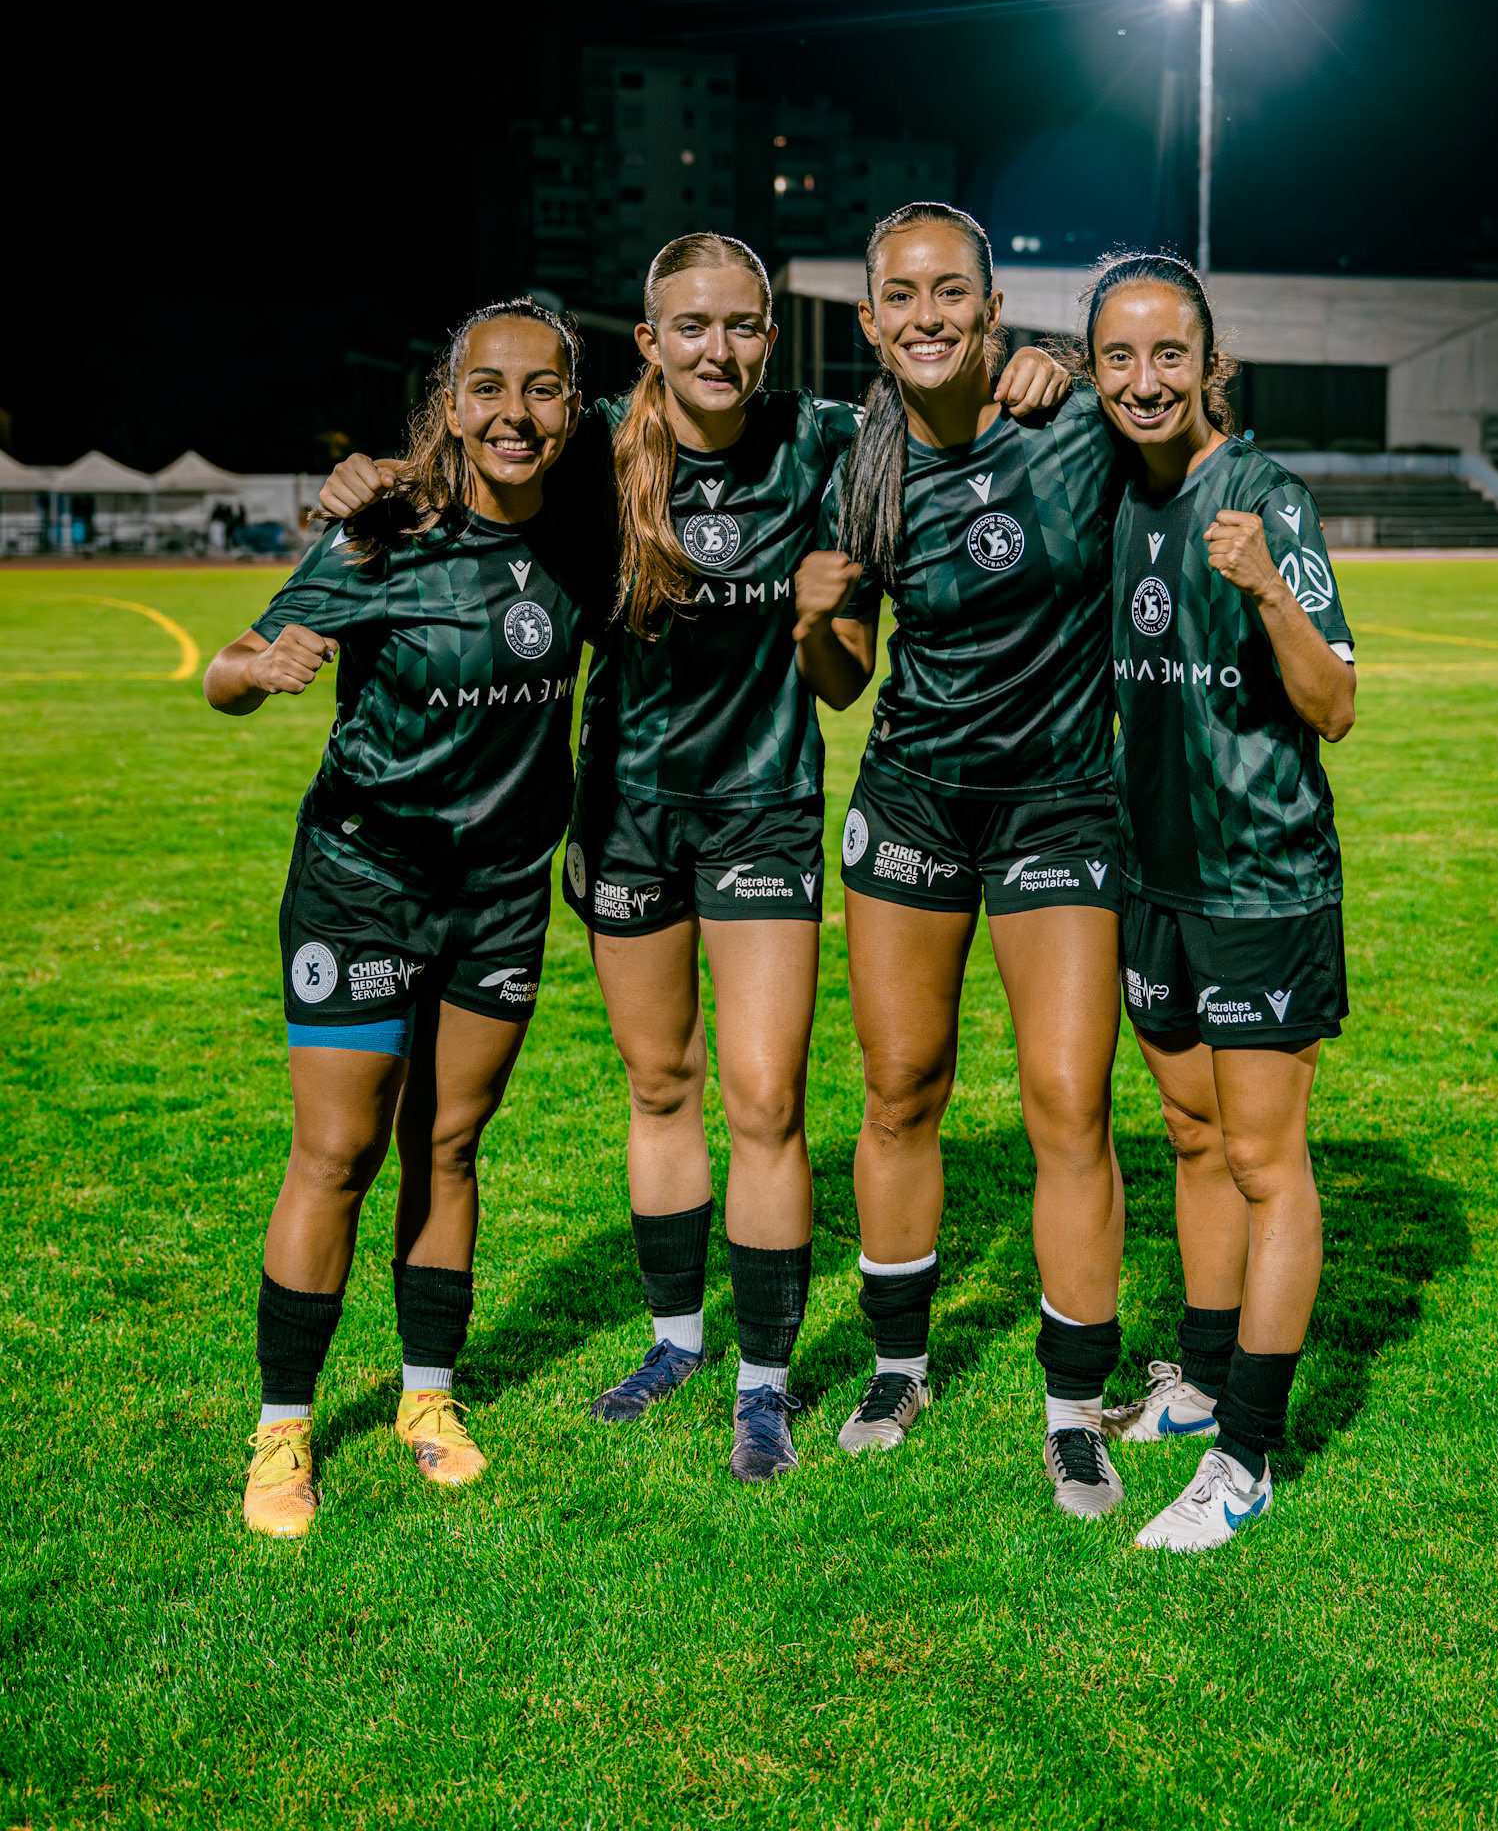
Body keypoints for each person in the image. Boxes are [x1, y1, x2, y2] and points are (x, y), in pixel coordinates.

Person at [317, 236, 1072, 1485]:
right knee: (659, 1082)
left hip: (764, 805)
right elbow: (478, 456)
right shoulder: (596, 443)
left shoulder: (823, 437)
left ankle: (763, 1385)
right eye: (691, 325)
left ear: (769, 338)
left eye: (740, 325)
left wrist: (1026, 365)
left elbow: (930, 417)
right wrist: (374, 470)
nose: (716, 348)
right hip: (625, 811)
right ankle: (676, 1338)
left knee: (766, 1096)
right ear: (649, 341)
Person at [205, 298, 604, 1537]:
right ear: (449, 404)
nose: (514, 413)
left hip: (495, 901)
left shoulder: (590, 536)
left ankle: (426, 1399)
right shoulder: (385, 535)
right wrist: (256, 670)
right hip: (361, 884)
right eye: (488, 388)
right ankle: (283, 1428)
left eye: (541, 389)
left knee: (450, 1145)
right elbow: (228, 666)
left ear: (572, 409)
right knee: (336, 1153)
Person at [816, 202, 1128, 1522]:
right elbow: (843, 684)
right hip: (914, 806)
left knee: (1066, 1099)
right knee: (899, 1090)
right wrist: (811, 622)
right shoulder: (864, 460)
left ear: (993, 311)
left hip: (1059, 803)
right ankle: (898, 1368)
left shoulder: (1069, 428)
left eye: (954, 292)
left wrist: (1073, 358)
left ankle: (1072, 1409)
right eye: (903, 295)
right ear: (872, 320)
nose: (928, 314)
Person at [1086, 252, 1356, 1552]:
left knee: (1263, 1160)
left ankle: (1244, 1457)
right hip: (1155, 881)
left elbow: (1334, 706)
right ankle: (1195, 1387)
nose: (1144, 381)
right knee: (1191, 1141)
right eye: (1118, 359)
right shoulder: (1114, 498)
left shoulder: (1265, 501)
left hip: (1259, 882)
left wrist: (1262, 590)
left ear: (1212, 365)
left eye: (1167, 356)